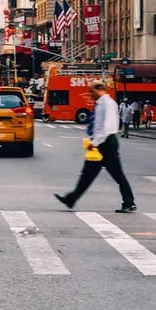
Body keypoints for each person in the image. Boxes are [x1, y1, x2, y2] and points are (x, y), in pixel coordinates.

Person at [55, 80, 136, 212]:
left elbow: (108, 127)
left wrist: (95, 143)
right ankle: (71, 199)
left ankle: (129, 202)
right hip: (101, 142)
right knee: (87, 174)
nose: (90, 94)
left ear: (99, 89)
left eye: (91, 91)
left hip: (107, 143)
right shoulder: (101, 104)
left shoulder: (108, 104)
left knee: (116, 174)